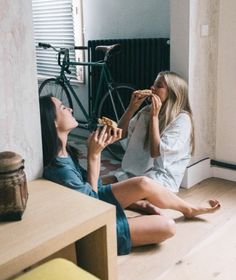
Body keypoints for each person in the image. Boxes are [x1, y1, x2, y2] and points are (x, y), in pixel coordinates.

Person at [39, 95, 220, 256]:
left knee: (143, 183)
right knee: (168, 226)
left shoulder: (65, 151)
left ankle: (188, 209)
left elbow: (93, 186)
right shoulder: (59, 169)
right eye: (63, 107)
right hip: (91, 225)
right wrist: (94, 156)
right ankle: (123, 225)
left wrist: (139, 203)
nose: (70, 108)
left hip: (93, 202)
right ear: (53, 121)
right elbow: (91, 208)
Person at [108, 71, 195, 193]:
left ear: (173, 93)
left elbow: (156, 152)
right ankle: (142, 203)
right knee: (98, 185)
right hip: (133, 173)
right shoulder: (146, 111)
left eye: (158, 86)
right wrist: (131, 107)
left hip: (160, 179)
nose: (152, 88)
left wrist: (155, 117)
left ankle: (148, 204)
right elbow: (119, 134)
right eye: (153, 85)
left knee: (111, 193)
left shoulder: (182, 119)